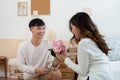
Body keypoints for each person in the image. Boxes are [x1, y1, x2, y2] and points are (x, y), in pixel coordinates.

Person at [56, 12, 113, 80]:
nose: (72, 31)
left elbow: (82, 72)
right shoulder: (95, 41)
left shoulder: (84, 43)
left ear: (78, 27)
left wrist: (66, 60)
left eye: (72, 27)